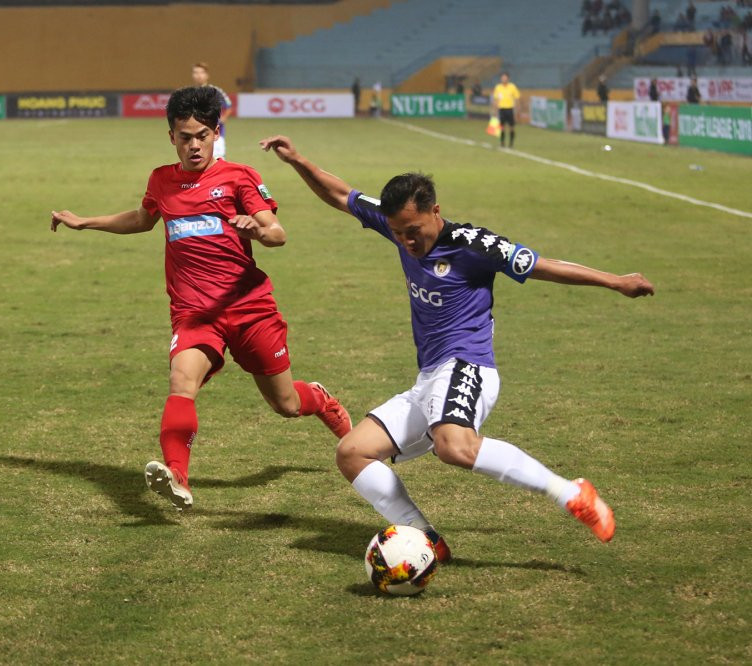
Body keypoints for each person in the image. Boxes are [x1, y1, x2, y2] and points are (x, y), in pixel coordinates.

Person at [259, 135, 655, 560]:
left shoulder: (474, 245)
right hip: (430, 378)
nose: (407, 242)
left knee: (455, 446)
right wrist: (298, 160)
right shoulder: (397, 224)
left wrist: (616, 281)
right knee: (352, 453)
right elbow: (340, 194)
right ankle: (424, 539)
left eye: (414, 231)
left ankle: (569, 492)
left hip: (468, 365)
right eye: (398, 234)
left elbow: (544, 266)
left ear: (435, 211)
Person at [49, 87, 352, 512]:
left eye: (203, 136)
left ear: (216, 133)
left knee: (286, 404)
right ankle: (178, 475)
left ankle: (320, 399)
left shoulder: (238, 177)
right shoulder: (161, 179)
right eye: (185, 136)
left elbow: (277, 233)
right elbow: (143, 218)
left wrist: (257, 232)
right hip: (194, 313)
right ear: (170, 136)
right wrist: (86, 222)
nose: (194, 145)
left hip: (249, 309)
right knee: (181, 381)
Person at [191, 62, 232, 159]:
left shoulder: (215, 91)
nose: (199, 75)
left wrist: (224, 118)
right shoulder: (190, 93)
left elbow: (229, 105)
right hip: (196, 137)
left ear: (207, 75)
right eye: (196, 73)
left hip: (215, 136)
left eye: (201, 72)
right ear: (192, 75)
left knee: (218, 165)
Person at [492, 72, 520, 148]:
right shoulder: (498, 87)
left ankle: (511, 143)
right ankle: (502, 143)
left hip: (510, 109)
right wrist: (494, 110)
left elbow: (517, 99)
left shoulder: (512, 87)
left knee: (512, 127)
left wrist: (517, 110)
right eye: (502, 78)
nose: (504, 79)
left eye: (505, 78)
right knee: (501, 127)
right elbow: (496, 100)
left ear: (508, 78)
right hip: (501, 109)